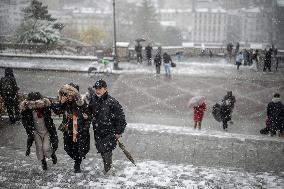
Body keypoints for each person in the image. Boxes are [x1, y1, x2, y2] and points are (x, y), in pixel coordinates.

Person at [88, 79, 127, 175]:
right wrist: (86, 114)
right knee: (101, 150)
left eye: (100, 88)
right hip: (98, 131)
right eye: (96, 88)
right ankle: (107, 167)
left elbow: (121, 118)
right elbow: (89, 110)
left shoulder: (112, 102)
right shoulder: (93, 99)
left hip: (109, 132)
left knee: (107, 151)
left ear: (105, 89)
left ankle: (108, 170)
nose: (97, 90)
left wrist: (119, 132)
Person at [53, 83, 90, 173]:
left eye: (71, 94)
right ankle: (76, 158)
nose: (69, 96)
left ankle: (77, 165)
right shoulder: (64, 103)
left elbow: (88, 116)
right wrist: (61, 102)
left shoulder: (81, 104)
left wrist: (85, 127)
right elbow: (56, 111)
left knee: (79, 150)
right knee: (68, 148)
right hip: (68, 130)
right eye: (67, 93)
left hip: (79, 130)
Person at [20, 92, 58, 171]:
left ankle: (52, 154)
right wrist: (27, 126)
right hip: (36, 132)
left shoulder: (45, 108)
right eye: (32, 103)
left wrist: (49, 102)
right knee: (39, 148)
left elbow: (56, 109)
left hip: (46, 131)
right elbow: (23, 119)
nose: (35, 105)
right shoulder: (28, 110)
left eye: (36, 103)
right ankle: (43, 162)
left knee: (46, 147)